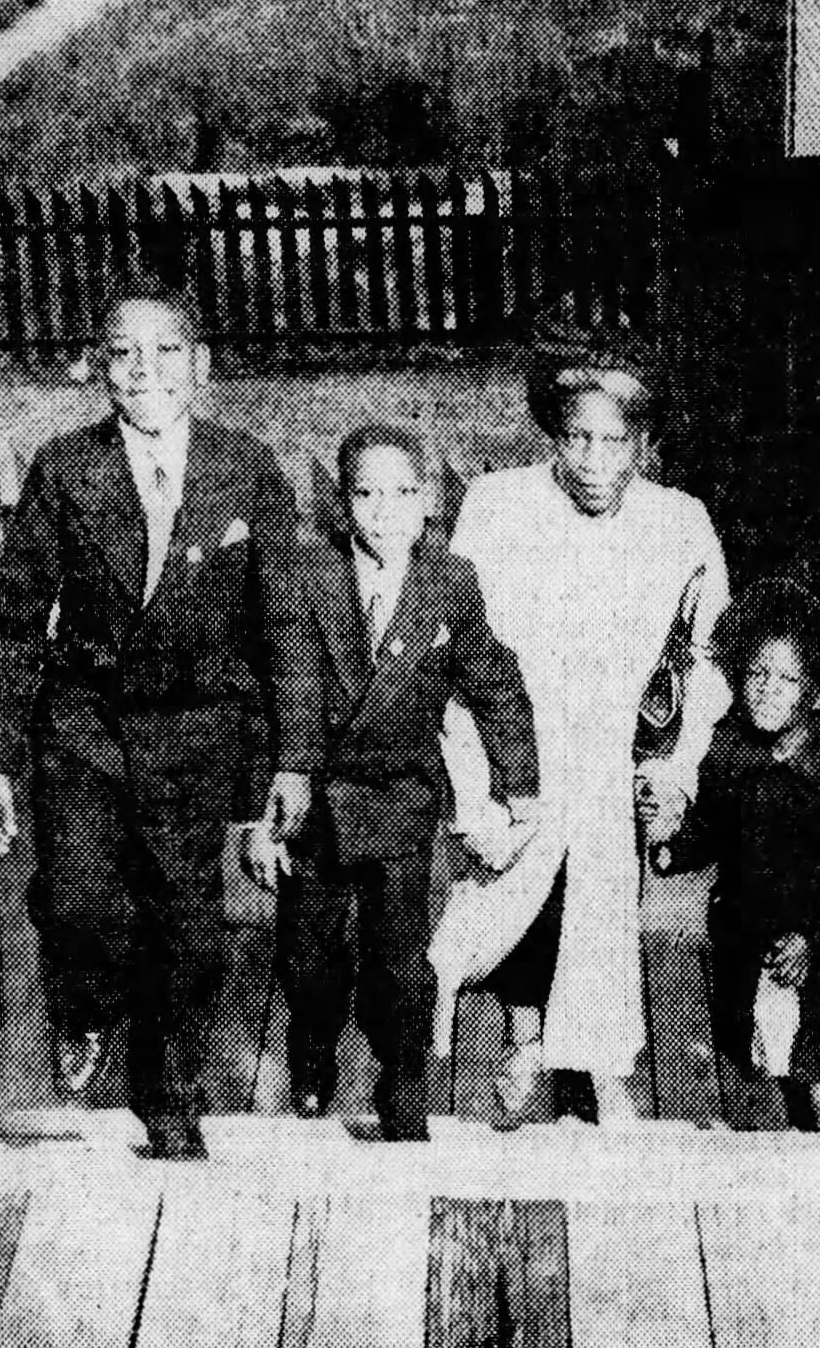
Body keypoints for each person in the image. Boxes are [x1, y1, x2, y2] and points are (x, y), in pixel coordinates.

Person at [0, 285, 316, 1159]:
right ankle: (84, 1007)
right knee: (79, 901)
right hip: (85, 722)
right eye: (124, 353)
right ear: (100, 369)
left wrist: (294, 758)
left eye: (165, 352)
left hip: (197, 730)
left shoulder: (247, 469)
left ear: (200, 367)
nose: (145, 371)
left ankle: (172, 1103)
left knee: (186, 921)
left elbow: (286, 623)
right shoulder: (65, 468)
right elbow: (15, 624)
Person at [432, 326, 731, 1127]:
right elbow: (460, 641)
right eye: (578, 439)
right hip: (518, 734)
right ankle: (524, 1034)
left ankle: (591, 1067)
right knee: (521, 873)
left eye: (616, 441)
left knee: (597, 891)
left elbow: (703, 662)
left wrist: (677, 769)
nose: (596, 461)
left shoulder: (680, 521)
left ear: (644, 444)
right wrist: (476, 779)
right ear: (553, 437)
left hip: (613, 750)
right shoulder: (502, 505)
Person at [242, 427, 539, 1140]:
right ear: (342, 504)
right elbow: (277, 693)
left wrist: (519, 781)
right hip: (315, 802)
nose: (385, 512)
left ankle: (402, 1085)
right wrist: (262, 813)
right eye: (366, 494)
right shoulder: (306, 575)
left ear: (428, 499)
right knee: (309, 954)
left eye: (403, 493)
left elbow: (493, 679)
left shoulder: (450, 580)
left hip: (404, 798)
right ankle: (310, 1055)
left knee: (402, 962)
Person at [650, 580, 820, 1132]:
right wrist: (671, 846)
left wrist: (816, 942)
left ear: (815, 695)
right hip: (750, 945)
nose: (768, 690)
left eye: (787, 679)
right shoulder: (729, 751)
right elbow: (714, 826)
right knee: (767, 1072)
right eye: (757, 674)